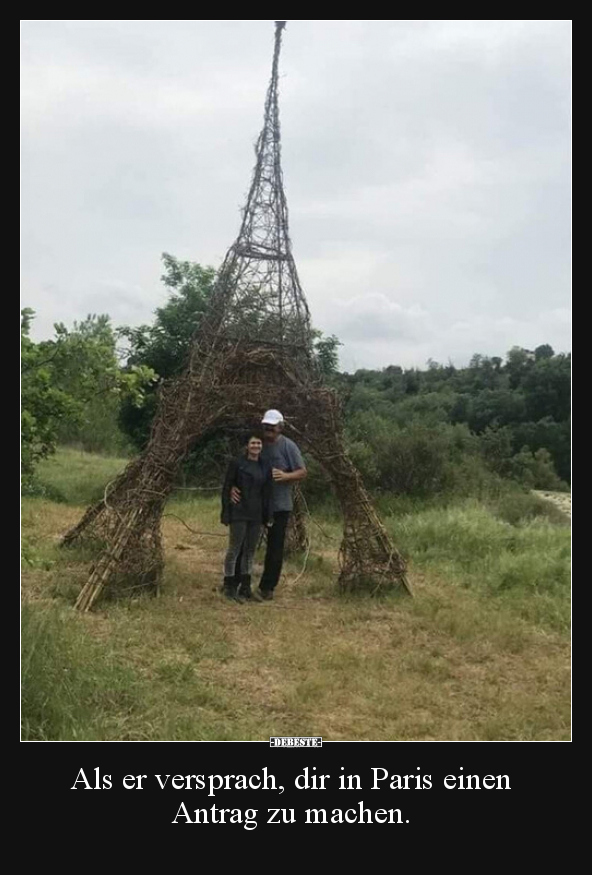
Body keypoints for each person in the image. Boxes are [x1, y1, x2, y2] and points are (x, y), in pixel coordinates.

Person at [231, 410, 307, 601]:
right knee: (245, 544)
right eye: (266, 425)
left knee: (275, 548)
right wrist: (232, 486)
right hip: (255, 504)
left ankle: (267, 587)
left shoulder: (288, 446)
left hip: (280, 506)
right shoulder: (257, 445)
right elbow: (239, 467)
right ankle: (237, 583)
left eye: (272, 426)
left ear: (280, 427)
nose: (269, 429)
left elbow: (302, 471)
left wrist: (286, 476)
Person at [221, 431, 273, 602]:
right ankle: (229, 585)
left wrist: (268, 515)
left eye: (258, 443)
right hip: (239, 511)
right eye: (253, 443)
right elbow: (227, 486)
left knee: (250, 551)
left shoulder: (265, 466)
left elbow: (267, 492)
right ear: (247, 446)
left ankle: (245, 587)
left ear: (262, 446)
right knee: (235, 548)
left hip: (256, 513)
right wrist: (226, 511)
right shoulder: (237, 464)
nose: (256, 446)